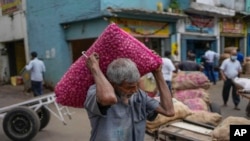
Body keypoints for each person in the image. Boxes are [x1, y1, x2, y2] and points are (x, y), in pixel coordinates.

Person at [84, 53, 174, 141]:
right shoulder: (97, 92)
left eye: (136, 85)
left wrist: (157, 73)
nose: (134, 90)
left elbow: (168, 111)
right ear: (112, 83)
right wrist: (95, 68)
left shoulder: (139, 95)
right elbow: (108, 99)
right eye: (129, 87)